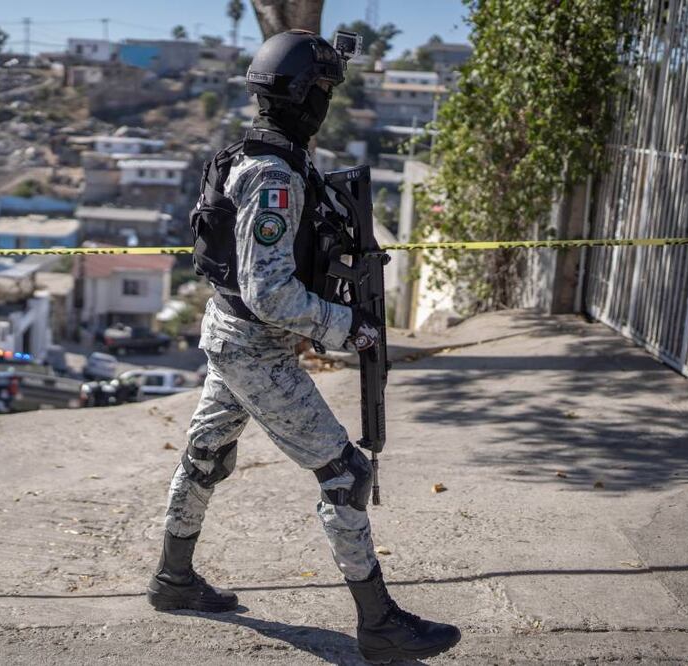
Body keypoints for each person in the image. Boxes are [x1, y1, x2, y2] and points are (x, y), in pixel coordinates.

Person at [146, 30, 462, 664]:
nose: (326, 101)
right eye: (323, 89)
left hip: (233, 336)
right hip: (254, 345)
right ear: (302, 96)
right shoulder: (275, 177)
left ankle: (173, 580)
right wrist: (348, 329)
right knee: (345, 473)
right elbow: (268, 292)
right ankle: (378, 624)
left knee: (206, 455)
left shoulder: (258, 157)